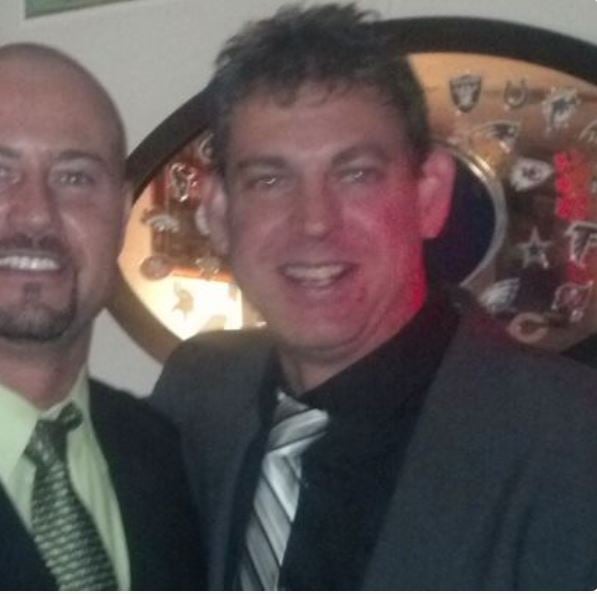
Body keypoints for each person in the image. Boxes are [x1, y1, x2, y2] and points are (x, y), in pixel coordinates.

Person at [151, 4, 597, 590]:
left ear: (429, 196)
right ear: (217, 212)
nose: (314, 222)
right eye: (270, 180)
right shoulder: (197, 393)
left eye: (355, 174)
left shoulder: (572, 441)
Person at [0, 43, 205, 590]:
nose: (36, 214)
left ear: (121, 213)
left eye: (74, 178)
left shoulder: (167, 454)